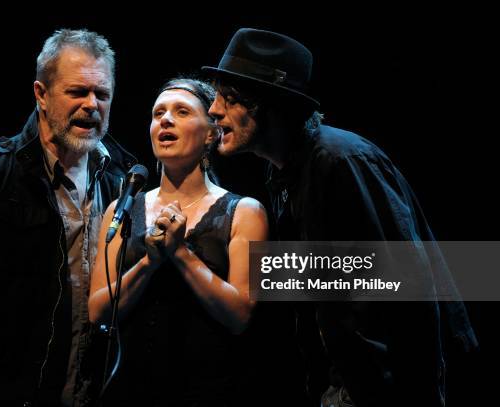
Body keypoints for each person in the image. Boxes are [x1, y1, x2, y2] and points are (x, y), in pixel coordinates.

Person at [203, 28, 478, 407]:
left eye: (229, 98)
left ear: (267, 105)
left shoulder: (340, 161)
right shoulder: (284, 172)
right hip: (351, 377)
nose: (214, 109)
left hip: (390, 382)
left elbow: (409, 285)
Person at [0, 29, 136, 406]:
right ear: (41, 95)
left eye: (102, 94)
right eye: (77, 92)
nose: (91, 105)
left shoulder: (123, 180)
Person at [87, 77, 268, 406]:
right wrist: (148, 263)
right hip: (130, 390)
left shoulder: (245, 212)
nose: (165, 120)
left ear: (211, 133)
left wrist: (180, 254)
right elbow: (98, 310)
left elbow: (241, 315)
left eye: (182, 112)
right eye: (158, 114)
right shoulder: (122, 208)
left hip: (210, 390)